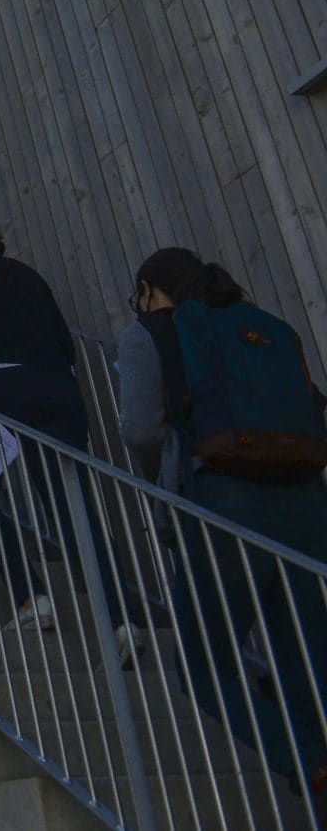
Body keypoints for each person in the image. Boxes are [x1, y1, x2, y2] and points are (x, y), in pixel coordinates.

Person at [118, 248, 327, 796]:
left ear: (147, 290)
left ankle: (307, 766)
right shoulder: (266, 326)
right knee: (305, 659)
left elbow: (140, 429)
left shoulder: (149, 333)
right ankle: (316, 766)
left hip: (222, 504)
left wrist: (162, 483)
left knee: (204, 667)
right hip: (305, 503)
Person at [0, 209, 142, 660]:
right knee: (73, 513)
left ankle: (32, 598)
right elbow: (64, 342)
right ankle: (123, 623)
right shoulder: (25, 273)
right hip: (59, 392)